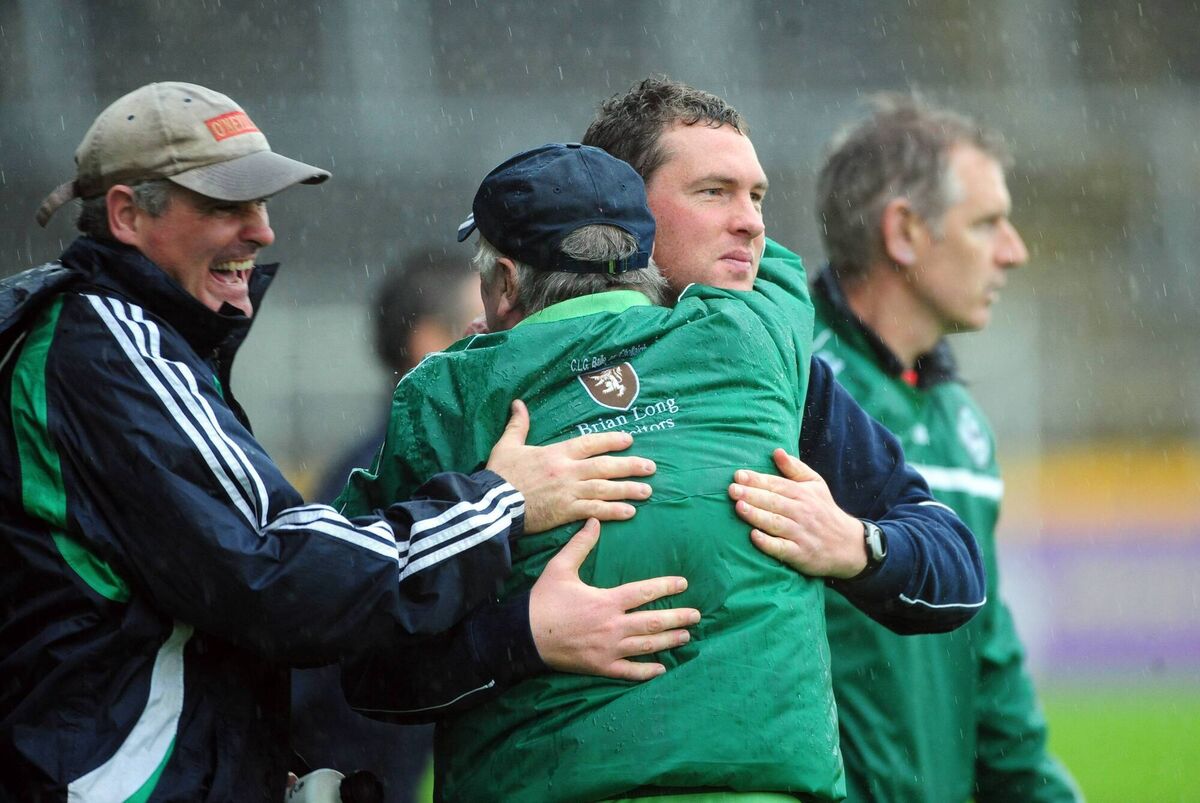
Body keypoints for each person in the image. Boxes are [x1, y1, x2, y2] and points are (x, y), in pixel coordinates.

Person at [0, 82, 692, 801]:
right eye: (226, 205)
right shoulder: (107, 345)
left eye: (262, 203)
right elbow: (273, 573)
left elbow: (209, 603)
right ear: (126, 213)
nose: (262, 231)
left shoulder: (114, 341)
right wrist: (502, 503)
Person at [339, 142, 985, 801]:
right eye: (713, 192)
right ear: (644, 236)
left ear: (505, 282)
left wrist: (854, 544)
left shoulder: (449, 395)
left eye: (755, 197)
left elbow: (360, 658)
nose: (747, 222)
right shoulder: (755, 342)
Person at [810, 95, 1082, 801]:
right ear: (904, 232)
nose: (1014, 251)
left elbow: (990, 673)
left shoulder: (965, 426)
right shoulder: (784, 391)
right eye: (987, 223)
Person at [294, 252, 482, 802]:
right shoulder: (385, 481)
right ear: (430, 342)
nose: (502, 337)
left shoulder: (387, 466)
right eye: (482, 321)